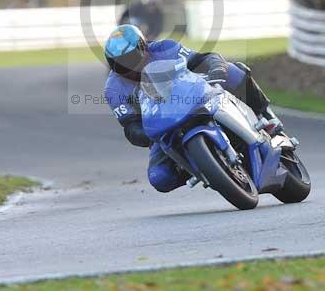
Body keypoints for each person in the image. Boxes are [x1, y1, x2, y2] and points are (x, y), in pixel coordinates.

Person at [103, 24, 283, 193]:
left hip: (193, 96)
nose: (126, 67)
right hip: (163, 126)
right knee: (159, 178)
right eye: (118, 63)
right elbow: (130, 127)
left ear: (143, 47)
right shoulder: (113, 88)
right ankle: (201, 166)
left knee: (234, 70)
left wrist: (217, 67)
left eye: (130, 58)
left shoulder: (165, 48)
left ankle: (265, 113)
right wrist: (147, 134)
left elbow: (202, 59)